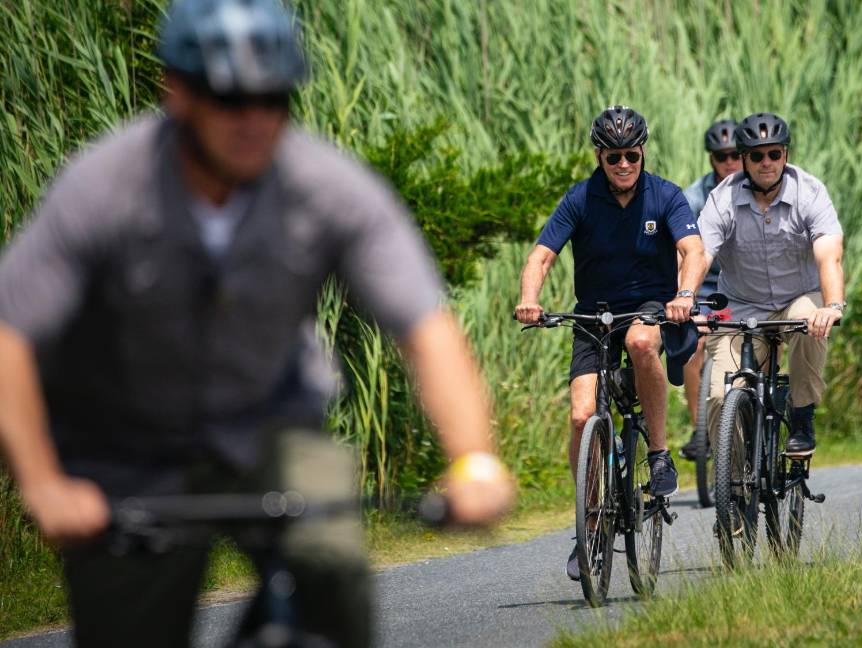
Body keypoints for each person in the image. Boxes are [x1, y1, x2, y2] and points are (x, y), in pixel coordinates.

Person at [0, 1, 514, 646]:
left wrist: (473, 461)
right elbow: (11, 334)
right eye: (230, 98)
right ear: (178, 92)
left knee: (338, 579)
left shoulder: (329, 187)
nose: (255, 119)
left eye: (274, 98)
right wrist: (44, 484)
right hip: (127, 448)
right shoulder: (105, 186)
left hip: (274, 425)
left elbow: (425, 327)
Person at [513, 105, 706, 581]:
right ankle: (590, 527)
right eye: (614, 156)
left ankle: (658, 455)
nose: (624, 165)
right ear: (600, 156)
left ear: (643, 153)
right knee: (582, 415)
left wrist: (684, 295)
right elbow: (541, 257)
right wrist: (529, 300)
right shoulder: (579, 199)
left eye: (632, 156)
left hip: (649, 309)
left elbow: (693, 250)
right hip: (592, 317)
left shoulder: (665, 196)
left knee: (642, 344)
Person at [696, 112, 846, 458]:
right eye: (757, 155)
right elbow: (701, 253)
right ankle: (731, 489)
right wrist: (685, 298)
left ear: (785, 155)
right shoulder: (723, 197)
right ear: (744, 160)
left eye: (774, 154)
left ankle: (802, 417)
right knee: (720, 395)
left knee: (812, 325)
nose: (767, 163)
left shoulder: (810, 192)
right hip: (742, 305)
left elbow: (829, 255)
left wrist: (833, 305)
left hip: (798, 297)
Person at [679, 119, 740, 461]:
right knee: (693, 341)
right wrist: (682, 296)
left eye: (735, 155)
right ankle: (700, 429)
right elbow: (682, 252)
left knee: (751, 337)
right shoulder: (694, 198)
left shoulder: (757, 189)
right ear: (712, 160)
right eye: (721, 157)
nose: (729, 162)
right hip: (705, 285)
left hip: (743, 286)